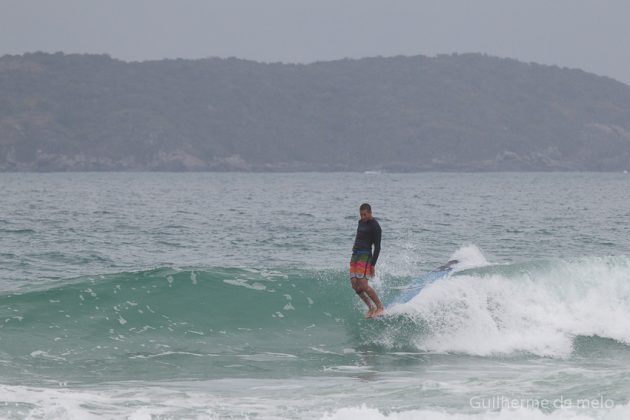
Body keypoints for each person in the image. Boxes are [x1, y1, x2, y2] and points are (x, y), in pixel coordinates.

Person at [350, 203, 384, 318]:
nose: (363, 217)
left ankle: (380, 307)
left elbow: (378, 247)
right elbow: (358, 235)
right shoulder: (360, 222)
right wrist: (355, 245)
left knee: (363, 285)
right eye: (361, 215)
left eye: (365, 214)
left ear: (370, 213)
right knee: (355, 284)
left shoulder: (375, 226)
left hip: (365, 256)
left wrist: (372, 265)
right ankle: (370, 307)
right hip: (355, 255)